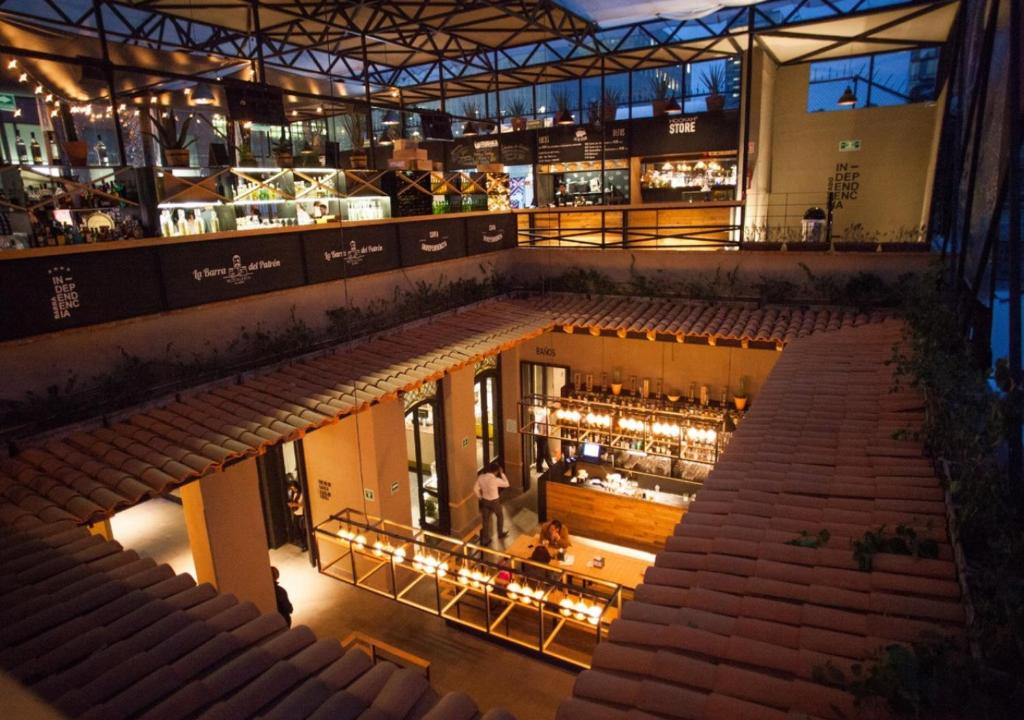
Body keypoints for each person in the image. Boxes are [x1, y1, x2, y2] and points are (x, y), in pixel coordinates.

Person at [474, 460, 509, 545]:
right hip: (495, 501)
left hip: (485, 501)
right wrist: (502, 474)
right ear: (496, 471)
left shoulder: (481, 477)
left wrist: (480, 497)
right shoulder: (495, 480)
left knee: (485, 520)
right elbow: (507, 484)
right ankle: (500, 534)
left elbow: (475, 489)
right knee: (499, 516)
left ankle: (486, 539)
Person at [286, 476, 307, 552]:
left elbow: (302, 504)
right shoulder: (293, 493)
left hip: (301, 514)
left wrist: (294, 505)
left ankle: (305, 544)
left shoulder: (301, 494)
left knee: (302, 530)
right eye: (292, 489)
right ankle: (301, 543)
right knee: (296, 529)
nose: (293, 490)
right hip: (295, 513)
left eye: (294, 488)